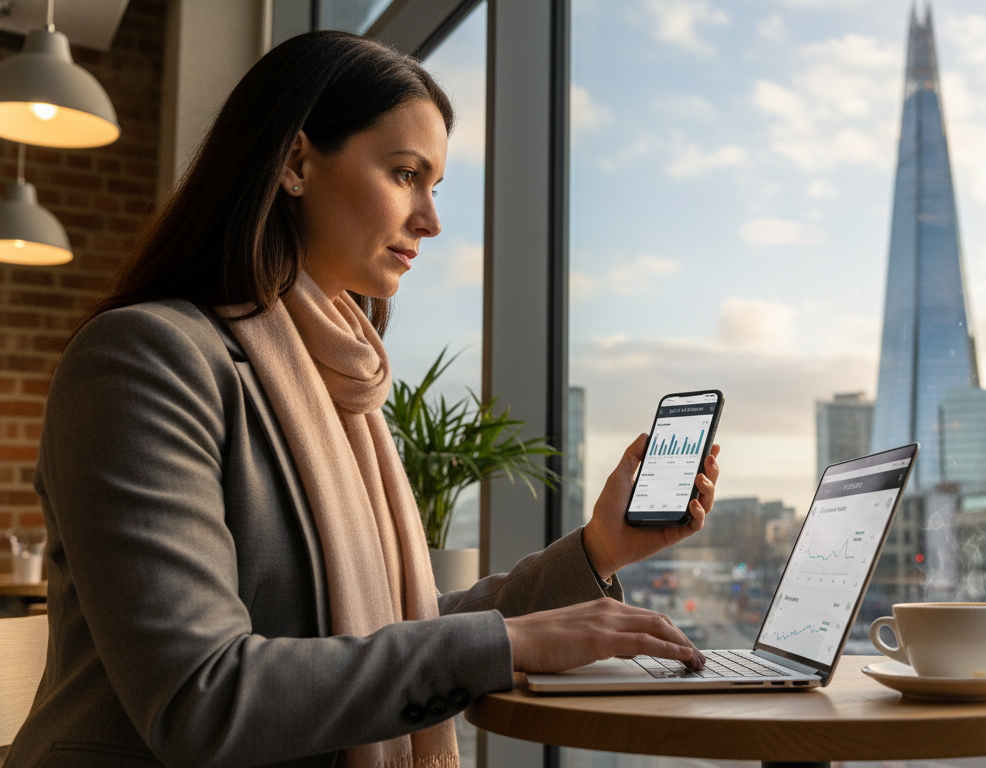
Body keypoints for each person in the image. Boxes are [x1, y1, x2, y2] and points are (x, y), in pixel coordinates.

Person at [6, 31, 720, 768]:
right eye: (406, 174)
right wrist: (510, 643)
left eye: (435, 186)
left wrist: (598, 548)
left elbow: (387, 624)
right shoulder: (145, 360)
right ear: (293, 163)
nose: (431, 220)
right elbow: (201, 695)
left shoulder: (334, 386)